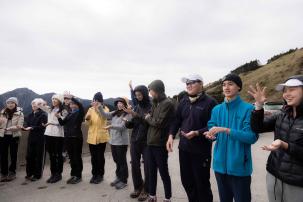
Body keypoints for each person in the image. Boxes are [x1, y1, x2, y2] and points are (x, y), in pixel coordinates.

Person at [249, 75, 303, 202]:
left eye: (292, 89)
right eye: (285, 90)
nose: (287, 94)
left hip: (297, 182)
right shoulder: (282, 114)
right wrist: (258, 106)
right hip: (274, 175)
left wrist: (285, 145)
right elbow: (257, 127)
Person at [204, 73, 258, 202]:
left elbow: (251, 137)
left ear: (239, 87)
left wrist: (226, 130)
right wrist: (211, 136)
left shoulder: (248, 109)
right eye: (224, 85)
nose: (226, 87)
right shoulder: (217, 109)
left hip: (240, 167)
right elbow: (212, 127)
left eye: (230, 84)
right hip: (219, 166)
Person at [167, 74, 217, 202]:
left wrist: (197, 132)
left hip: (201, 150)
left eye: (192, 82)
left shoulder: (210, 103)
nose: (188, 85)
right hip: (184, 148)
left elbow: (214, 125)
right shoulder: (183, 101)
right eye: (187, 83)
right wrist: (171, 135)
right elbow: (176, 120)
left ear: (201, 84)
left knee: (202, 183)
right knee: (187, 181)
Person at [145, 80, 174, 202]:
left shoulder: (167, 103)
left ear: (156, 90)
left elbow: (159, 123)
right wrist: (150, 118)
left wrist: (148, 118)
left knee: (163, 172)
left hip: (160, 144)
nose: (149, 93)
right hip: (151, 143)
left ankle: (167, 198)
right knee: (151, 171)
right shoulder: (155, 103)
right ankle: (152, 195)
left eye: (150, 90)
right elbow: (154, 120)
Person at [98, 97, 131, 190]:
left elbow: (122, 127)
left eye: (121, 103)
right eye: (118, 103)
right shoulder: (114, 113)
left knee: (122, 161)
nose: (119, 104)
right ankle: (119, 177)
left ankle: (124, 180)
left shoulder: (127, 114)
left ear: (125, 104)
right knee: (117, 161)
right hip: (113, 141)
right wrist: (100, 107)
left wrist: (111, 126)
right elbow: (105, 115)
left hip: (121, 142)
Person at [125, 84, 151, 201]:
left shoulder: (151, 106)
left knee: (147, 166)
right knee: (134, 164)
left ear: (145, 94)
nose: (138, 97)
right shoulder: (136, 107)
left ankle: (147, 189)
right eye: (136, 95)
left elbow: (149, 123)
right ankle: (138, 187)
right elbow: (133, 124)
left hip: (147, 141)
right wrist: (127, 122)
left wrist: (135, 115)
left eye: (140, 95)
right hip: (135, 140)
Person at [57, 97, 84, 184]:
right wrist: (58, 117)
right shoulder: (69, 114)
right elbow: (62, 123)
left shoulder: (80, 113)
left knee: (77, 157)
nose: (72, 105)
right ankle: (73, 175)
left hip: (76, 138)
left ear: (77, 105)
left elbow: (81, 106)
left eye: (74, 104)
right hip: (69, 138)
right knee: (71, 158)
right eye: (71, 104)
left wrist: (72, 98)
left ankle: (78, 176)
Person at [41, 94, 68, 183]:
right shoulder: (50, 109)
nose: (53, 101)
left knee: (58, 155)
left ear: (59, 101)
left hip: (58, 134)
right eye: (52, 99)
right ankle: (53, 173)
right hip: (48, 133)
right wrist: (43, 103)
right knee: (51, 155)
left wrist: (57, 118)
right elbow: (40, 106)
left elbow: (63, 122)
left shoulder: (63, 110)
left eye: (55, 99)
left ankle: (58, 174)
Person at [85, 92, 110, 184]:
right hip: (92, 137)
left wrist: (96, 109)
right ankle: (94, 174)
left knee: (100, 157)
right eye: (94, 100)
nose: (94, 102)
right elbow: (88, 123)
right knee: (93, 157)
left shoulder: (105, 109)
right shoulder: (90, 109)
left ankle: (100, 175)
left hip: (101, 137)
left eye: (96, 100)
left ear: (100, 102)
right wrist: (87, 119)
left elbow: (103, 117)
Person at [0, 97, 24, 182]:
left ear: (15, 104)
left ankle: (12, 172)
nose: (10, 104)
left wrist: (10, 128)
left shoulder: (20, 113)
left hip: (14, 136)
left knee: (13, 155)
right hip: (3, 136)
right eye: (8, 103)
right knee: (3, 155)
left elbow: (19, 126)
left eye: (12, 103)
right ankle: (3, 173)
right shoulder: (2, 112)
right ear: (6, 104)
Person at [23, 98, 47, 181]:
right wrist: (23, 127)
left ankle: (37, 175)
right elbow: (27, 124)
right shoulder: (30, 115)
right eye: (32, 103)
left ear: (40, 105)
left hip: (40, 138)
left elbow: (43, 127)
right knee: (29, 156)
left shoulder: (43, 115)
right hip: (31, 137)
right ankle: (29, 173)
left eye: (35, 103)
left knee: (38, 156)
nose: (33, 105)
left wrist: (32, 127)